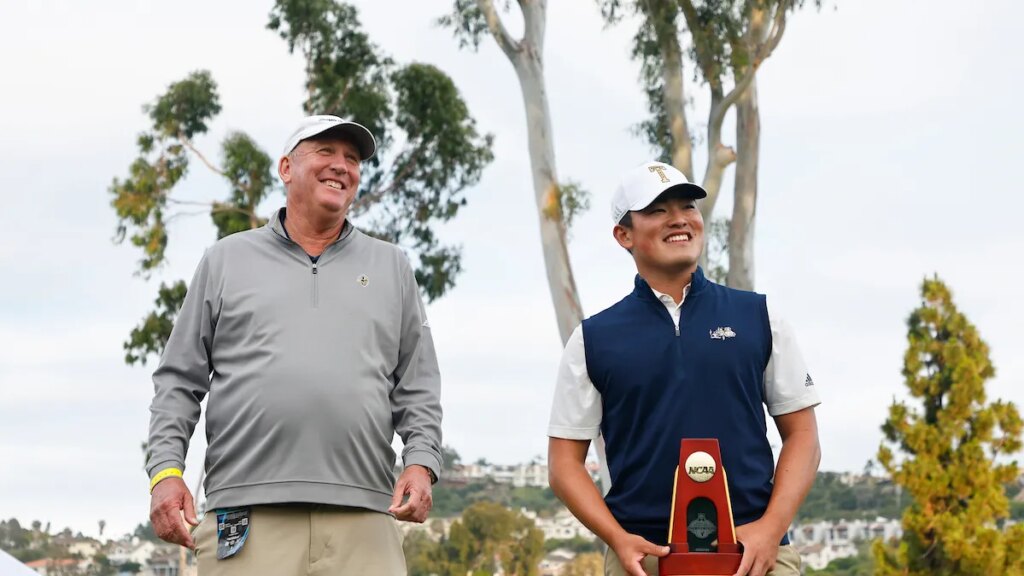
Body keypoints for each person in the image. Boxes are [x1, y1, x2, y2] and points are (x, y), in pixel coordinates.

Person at [145, 115, 442, 575]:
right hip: (247, 514)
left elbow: (418, 386)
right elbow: (178, 381)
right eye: (326, 152)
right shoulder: (225, 260)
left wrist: (421, 464)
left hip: (365, 515)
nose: (342, 166)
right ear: (286, 168)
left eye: (352, 158)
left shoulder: (392, 266)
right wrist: (166, 473)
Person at [547, 161, 821, 576]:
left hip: (754, 557)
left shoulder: (760, 316)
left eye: (688, 206)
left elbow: (804, 437)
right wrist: (618, 539)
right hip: (645, 561)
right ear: (624, 235)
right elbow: (564, 466)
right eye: (657, 210)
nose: (679, 219)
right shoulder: (593, 338)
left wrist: (770, 529)